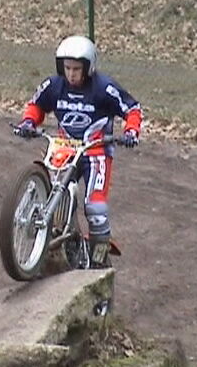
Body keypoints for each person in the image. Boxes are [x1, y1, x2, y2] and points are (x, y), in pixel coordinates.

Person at [14, 35, 142, 268]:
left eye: (76, 69)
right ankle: (60, 239)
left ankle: (99, 262)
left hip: (96, 151)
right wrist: (28, 122)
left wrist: (131, 131)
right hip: (65, 147)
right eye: (67, 68)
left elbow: (132, 108)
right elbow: (36, 105)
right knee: (53, 194)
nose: (71, 74)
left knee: (96, 209)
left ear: (88, 67)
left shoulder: (104, 88)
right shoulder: (54, 85)